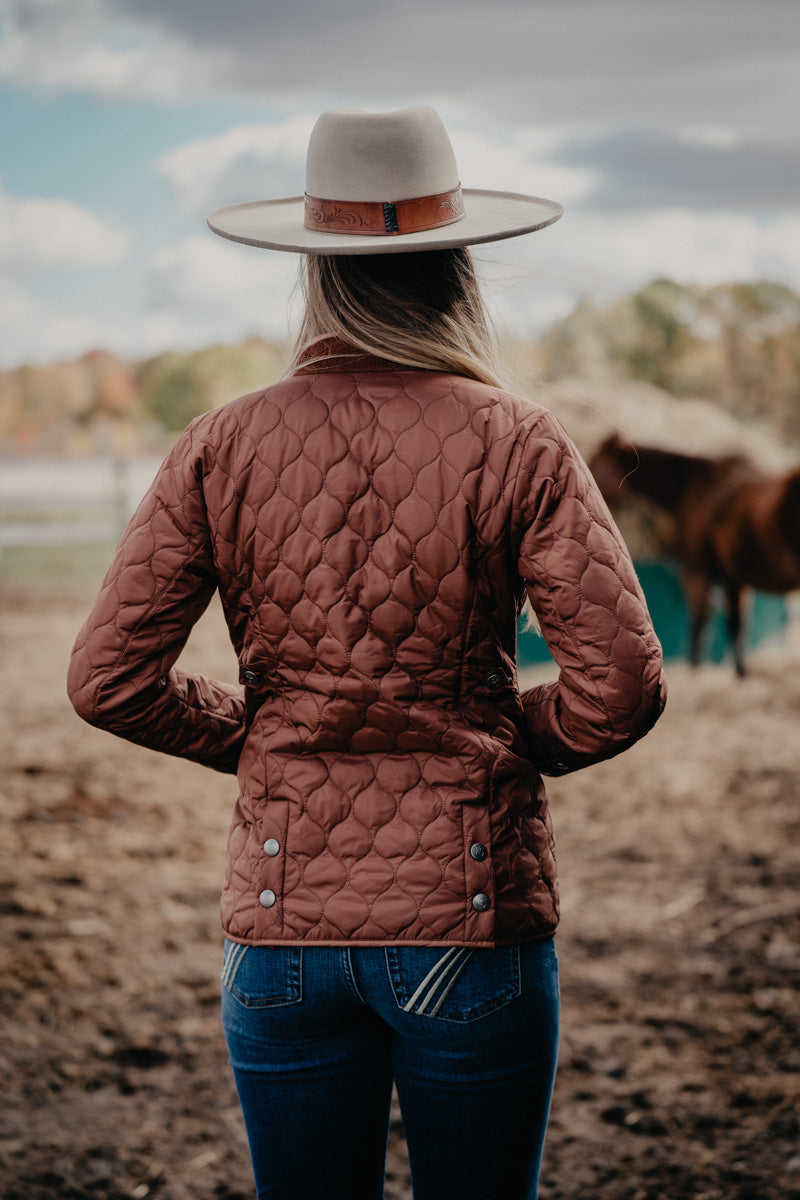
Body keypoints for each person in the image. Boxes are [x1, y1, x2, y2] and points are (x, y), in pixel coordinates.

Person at [67, 105, 666, 1200]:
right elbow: (618, 688)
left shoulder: (220, 442)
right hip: (469, 916)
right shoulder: (515, 439)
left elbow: (107, 681)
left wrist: (262, 739)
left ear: (315, 270)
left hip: (282, 922)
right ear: (457, 270)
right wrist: (496, 739)